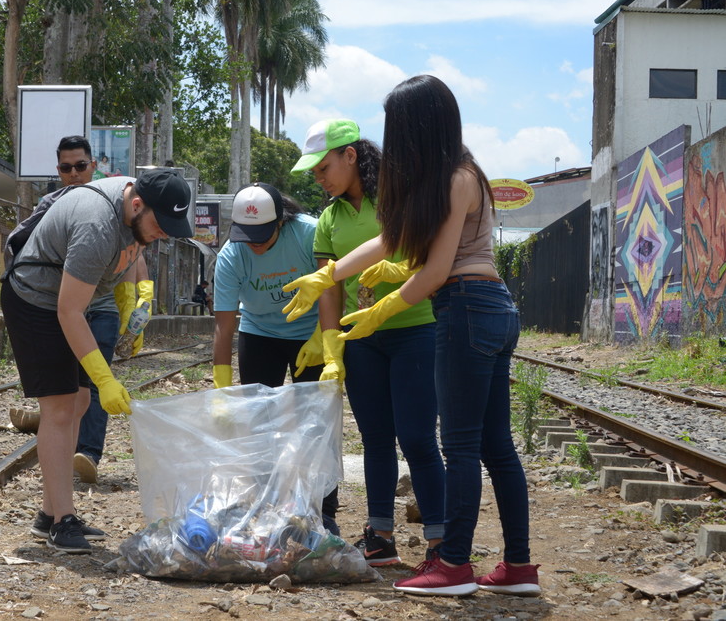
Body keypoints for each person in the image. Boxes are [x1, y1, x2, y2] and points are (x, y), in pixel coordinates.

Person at [282, 75, 538, 597]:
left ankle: (454, 566)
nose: (392, 141)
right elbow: (390, 239)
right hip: (488, 306)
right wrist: (327, 276)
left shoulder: (455, 178)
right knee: (496, 446)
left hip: (465, 307)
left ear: (418, 127)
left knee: (460, 447)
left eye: (397, 127)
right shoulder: (458, 174)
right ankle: (517, 568)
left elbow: (438, 270)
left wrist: (385, 309)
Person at [1, 165, 190, 555]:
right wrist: (105, 378)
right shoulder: (97, 225)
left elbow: (117, 266)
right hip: (35, 301)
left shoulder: (134, 216)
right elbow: (69, 312)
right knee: (58, 407)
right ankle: (60, 522)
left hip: (66, 302)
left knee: (80, 401)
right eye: (162, 224)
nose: (165, 233)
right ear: (137, 204)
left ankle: (50, 513)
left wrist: (130, 303)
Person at [290, 118, 445, 567]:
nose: (319, 179)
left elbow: (431, 257)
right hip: (362, 340)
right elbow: (329, 290)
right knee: (376, 439)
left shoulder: (399, 199)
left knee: (417, 438)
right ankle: (379, 537)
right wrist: (331, 346)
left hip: (417, 329)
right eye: (315, 173)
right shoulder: (327, 222)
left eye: (323, 168)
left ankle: (439, 544)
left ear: (350, 155)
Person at [8, 135, 150, 486]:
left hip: (100, 307)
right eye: (66, 168)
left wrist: (134, 301)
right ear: (58, 171)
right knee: (71, 396)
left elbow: (133, 256)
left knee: (89, 388)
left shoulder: (120, 204)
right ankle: (61, 475)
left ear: (93, 166)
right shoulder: (55, 205)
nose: (74, 173)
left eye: (80, 166)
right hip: (61, 305)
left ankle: (87, 452)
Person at [210, 182, 340, 535]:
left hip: (311, 333)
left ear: (281, 222)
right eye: (247, 234)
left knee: (317, 424)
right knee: (259, 421)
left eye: (262, 234)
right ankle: (265, 503)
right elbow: (224, 326)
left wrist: (328, 346)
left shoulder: (310, 234)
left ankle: (323, 511)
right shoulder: (231, 255)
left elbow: (334, 287)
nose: (254, 242)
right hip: (260, 333)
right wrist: (221, 391)